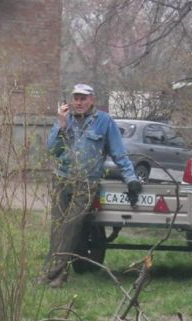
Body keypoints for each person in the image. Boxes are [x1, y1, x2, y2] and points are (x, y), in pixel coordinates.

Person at [40, 83, 141, 288]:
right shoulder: (64, 119)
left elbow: (118, 153)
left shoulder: (104, 121)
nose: (78, 102)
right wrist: (61, 125)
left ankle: (52, 274)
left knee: (70, 227)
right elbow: (52, 150)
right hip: (62, 179)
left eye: (83, 98)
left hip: (86, 183)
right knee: (57, 227)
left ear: (92, 100)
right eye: (75, 98)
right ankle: (57, 275)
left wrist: (131, 178)